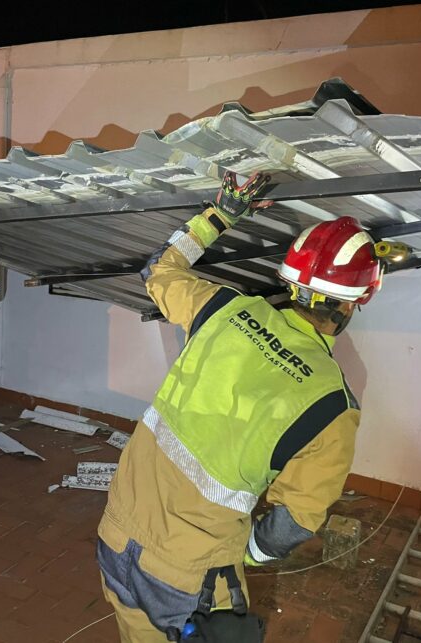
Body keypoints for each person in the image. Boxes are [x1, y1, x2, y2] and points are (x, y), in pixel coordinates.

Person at [96, 171, 384, 641]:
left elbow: (158, 271)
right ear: (355, 303)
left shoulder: (222, 309)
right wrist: (246, 555)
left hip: (116, 537)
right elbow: (294, 522)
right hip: (193, 581)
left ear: (290, 280)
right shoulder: (333, 405)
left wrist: (221, 214)